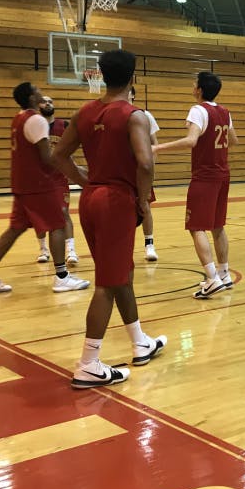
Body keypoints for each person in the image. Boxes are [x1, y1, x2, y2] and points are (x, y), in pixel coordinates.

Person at [52, 49, 166, 388]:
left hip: (90, 199)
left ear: (100, 75)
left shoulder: (84, 112)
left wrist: (84, 180)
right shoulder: (134, 115)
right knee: (107, 283)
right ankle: (88, 363)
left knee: (119, 274)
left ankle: (140, 342)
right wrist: (143, 200)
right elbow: (145, 163)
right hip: (116, 201)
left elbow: (58, 155)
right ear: (133, 77)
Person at [0, 83, 90, 294]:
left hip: (22, 183)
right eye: (36, 90)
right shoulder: (37, 120)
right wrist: (74, 170)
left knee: (15, 228)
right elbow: (47, 157)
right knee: (57, 225)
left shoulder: (19, 118)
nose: (40, 93)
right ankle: (62, 277)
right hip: (39, 184)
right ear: (31, 97)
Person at [153, 71, 237, 298]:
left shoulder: (198, 110)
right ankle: (224, 274)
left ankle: (212, 278)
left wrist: (157, 147)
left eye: (194, 84)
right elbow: (233, 140)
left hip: (205, 176)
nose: (192, 87)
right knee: (218, 226)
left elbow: (191, 141)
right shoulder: (225, 111)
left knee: (196, 226)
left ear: (199, 90)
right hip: (223, 174)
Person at [34, 94, 78, 266]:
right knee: (40, 216)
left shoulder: (64, 126)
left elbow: (70, 149)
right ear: (38, 106)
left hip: (59, 178)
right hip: (40, 179)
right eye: (44, 101)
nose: (48, 104)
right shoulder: (34, 125)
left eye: (50, 101)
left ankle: (71, 250)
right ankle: (43, 249)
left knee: (63, 212)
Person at [129, 86, 159, 261]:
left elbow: (154, 144)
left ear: (133, 95)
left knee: (145, 206)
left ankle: (149, 245)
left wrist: (151, 170)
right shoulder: (114, 114)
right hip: (122, 170)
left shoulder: (145, 115)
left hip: (140, 169)